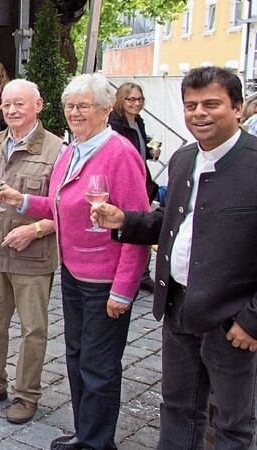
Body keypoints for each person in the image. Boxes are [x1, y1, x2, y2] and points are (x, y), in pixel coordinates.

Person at [93, 66, 257, 449]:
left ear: (237, 108)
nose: (199, 113)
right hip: (178, 306)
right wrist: (125, 221)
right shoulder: (184, 159)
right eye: (191, 105)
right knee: (178, 407)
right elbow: (171, 223)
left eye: (211, 104)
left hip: (231, 319)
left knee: (233, 424)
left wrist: (252, 319)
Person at [0, 73, 149, 450]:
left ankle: (98, 443)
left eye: (84, 105)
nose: (75, 112)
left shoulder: (119, 152)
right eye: (70, 105)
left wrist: (124, 291)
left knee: (99, 367)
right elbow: (62, 207)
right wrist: (23, 201)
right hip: (74, 272)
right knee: (78, 359)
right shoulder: (72, 149)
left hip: (105, 281)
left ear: (105, 109)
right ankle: (86, 435)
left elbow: (139, 224)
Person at [0, 79, 63, 424]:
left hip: (32, 254)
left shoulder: (57, 150)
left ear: (38, 105)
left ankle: (27, 393)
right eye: (7, 105)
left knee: (33, 329)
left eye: (20, 104)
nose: (13, 111)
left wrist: (35, 229)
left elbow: (66, 209)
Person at [108, 82, 160, 293]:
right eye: (131, 99)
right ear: (121, 100)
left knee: (143, 225)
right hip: (125, 181)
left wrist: (149, 153)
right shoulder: (114, 124)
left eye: (139, 99)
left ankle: (143, 274)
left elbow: (137, 149)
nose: (136, 103)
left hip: (142, 180)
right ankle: (126, 275)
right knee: (127, 226)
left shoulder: (138, 121)